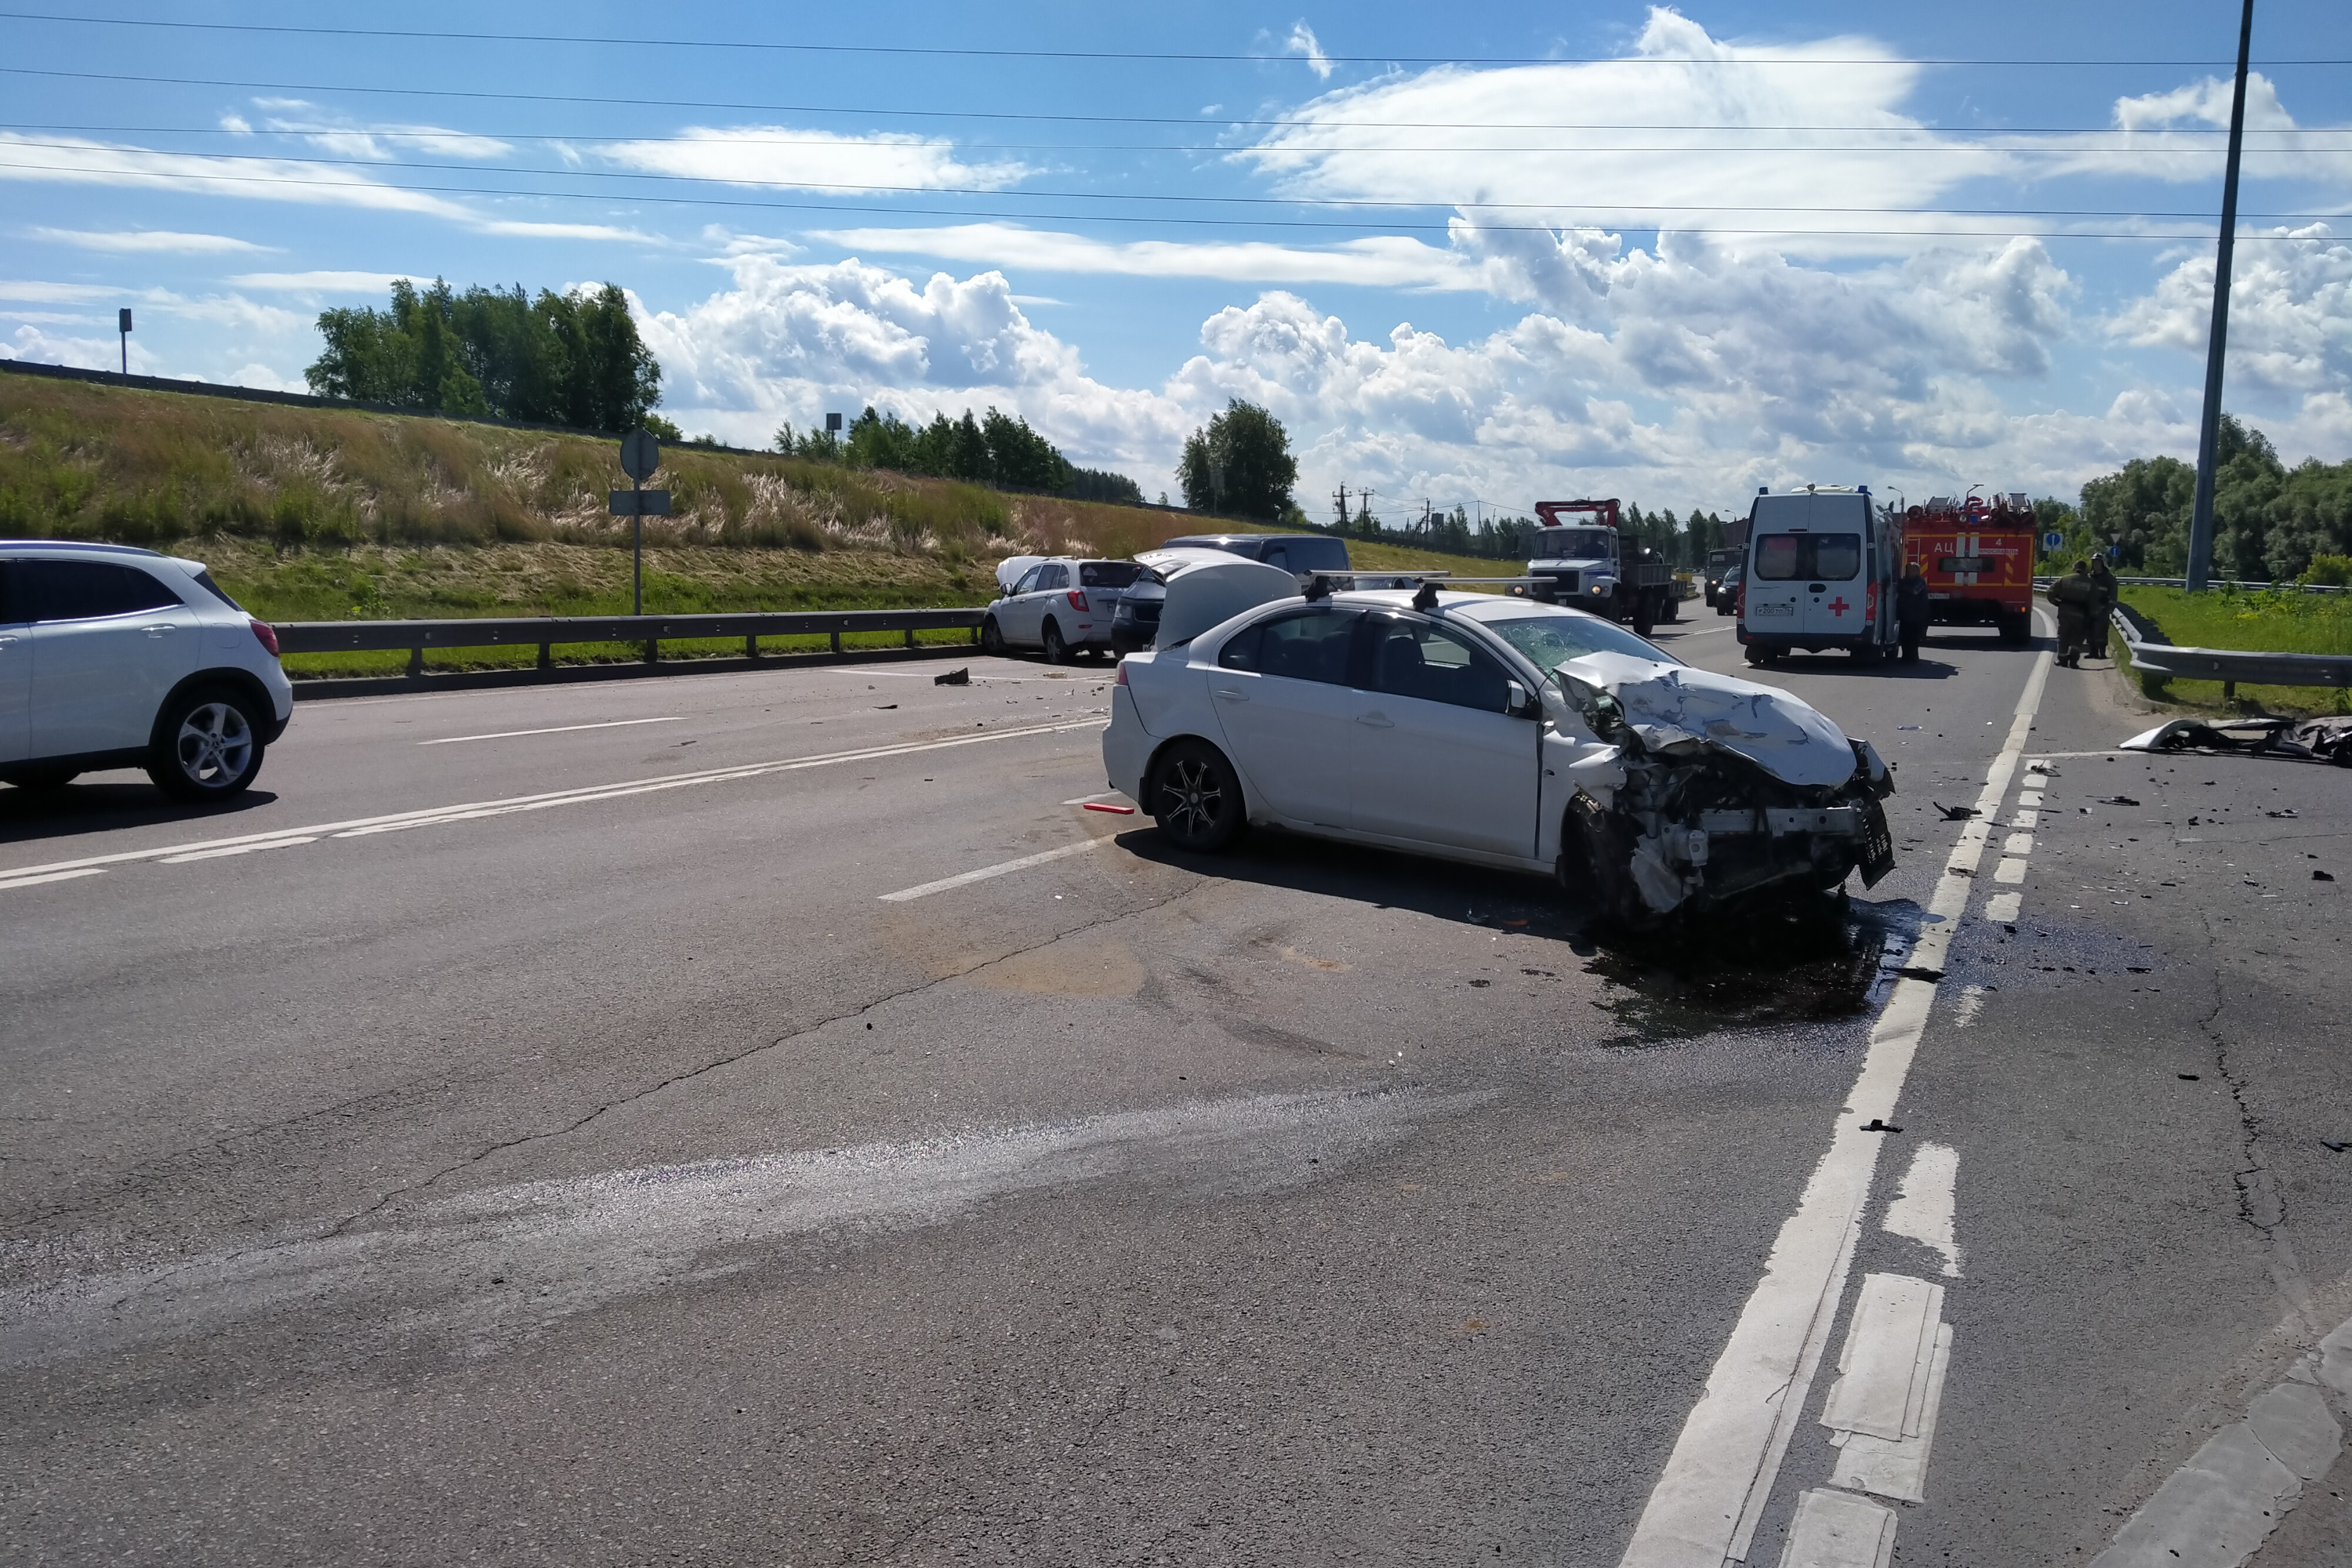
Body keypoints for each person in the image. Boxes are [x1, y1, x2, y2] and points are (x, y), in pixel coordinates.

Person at [2047, 559, 2096, 668]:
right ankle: (2073, 661)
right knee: (2078, 637)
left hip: (2065, 612)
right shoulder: (2090, 583)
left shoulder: (2065, 579)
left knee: (2063, 635)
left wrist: (2056, 603)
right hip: (2081, 614)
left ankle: (2062, 660)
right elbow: (2094, 601)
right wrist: (2092, 615)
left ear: (2075, 568)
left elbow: (2050, 592)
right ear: (2085, 569)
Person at [1895, 561, 1933, 663]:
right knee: (1904, 638)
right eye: (1907, 569)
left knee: (1913, 639)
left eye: (1910, 570)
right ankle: (1905, 658)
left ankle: (1913, 659)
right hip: (1906, 616)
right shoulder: (1906, 581)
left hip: (1917, 616)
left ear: (1917, 571)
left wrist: (1900, 586)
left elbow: (1914, 591)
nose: (1908, 572)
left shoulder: (1920, 581)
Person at [2088, 555, 2118, 659]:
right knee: (2090, 631)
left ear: (2102, 563)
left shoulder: (2109, 578)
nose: (2096, 565)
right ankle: (2092, 652)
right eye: (2094, 562)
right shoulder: (2089, 577)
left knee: (2102, 631)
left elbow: (2113, 594)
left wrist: (2110, 608)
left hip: (2103, 608)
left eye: (2098, 562)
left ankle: (2102, 652)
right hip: (2090, 608)